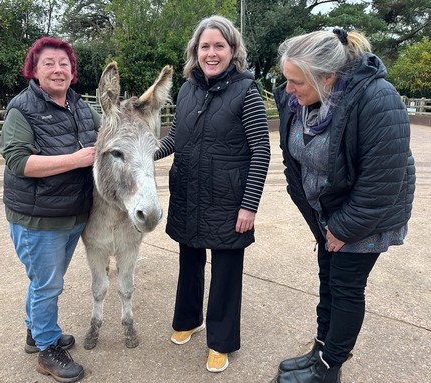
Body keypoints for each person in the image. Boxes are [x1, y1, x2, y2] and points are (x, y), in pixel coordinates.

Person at [272, 29, 415, 383]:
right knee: (327, 281)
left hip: (367, 215)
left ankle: (328, 368)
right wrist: (321, 224)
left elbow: (383, 181)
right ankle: (320, 350)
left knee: (346, 287)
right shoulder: (298, 101)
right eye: (286, 79)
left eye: (296, 82)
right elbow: (295, 165)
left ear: (327, 77)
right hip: (328, 213)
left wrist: (343, 229)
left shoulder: (377, 99)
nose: (288, 89)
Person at [155, 15, 271, 373]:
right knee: (189, 262)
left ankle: (221, 341)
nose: (211, 52)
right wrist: (145, 152)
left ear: (233, 50)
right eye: (205, 46)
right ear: (195, 51)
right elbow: (176, 138)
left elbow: (261, 151)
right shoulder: (188, 89)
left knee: (225, 272)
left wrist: (249, 205)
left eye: (219, 45)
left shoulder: (246, 92)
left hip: (228, 199)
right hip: (189, 192)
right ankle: (189, 319)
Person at [0, 36, 100, 383]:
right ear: (35, 70)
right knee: (48, 285)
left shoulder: (81, 106)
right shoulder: (22, 108)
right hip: (38, 219)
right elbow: (18, 162)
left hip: (73, 214)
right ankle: (46, 350)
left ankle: (36, 332)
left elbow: (112, 129)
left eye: (64, 64)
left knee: (44, 281)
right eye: (49, 64)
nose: (58, 70)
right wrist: (77, 159)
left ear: (72, 72)